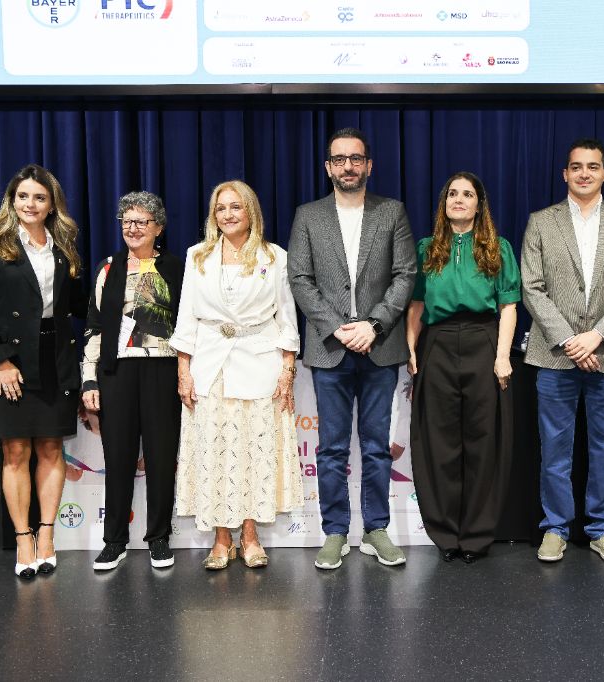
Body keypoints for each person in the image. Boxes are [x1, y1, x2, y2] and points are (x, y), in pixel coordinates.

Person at [288, 127, 417, 570]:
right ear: (328, 167)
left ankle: (376, 529)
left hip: (380, 347)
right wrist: (338, 328)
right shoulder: (308, 215)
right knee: (331, 449)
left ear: (368, 165)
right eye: (340, 159)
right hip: (331, 349)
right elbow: (300, 278)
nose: (348, 166)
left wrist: (374, 325)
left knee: (377, 447)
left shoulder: (391, 212)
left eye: (356, 159)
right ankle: (335, 532)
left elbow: (405, 274)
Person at [521, 138, 604, 565]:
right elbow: (532, 288)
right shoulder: (541, 222)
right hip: (556, 356)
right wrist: (570, 340)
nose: (584, 174)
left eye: (593, 167)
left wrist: (596, 336)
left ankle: (602, 528)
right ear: (565, 174)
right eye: (576, 167)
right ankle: (555, 528)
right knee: (554, 451)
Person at [171, 180, 302, 570]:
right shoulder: (197, 256)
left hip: (259, 364)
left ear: (251, 212)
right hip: (209, 366)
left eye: (235, 207)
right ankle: (220, 539)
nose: (227, 214)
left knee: (252, 454)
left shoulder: (274, 257)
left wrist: (287, 370)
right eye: (221, 208)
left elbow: (287, 317)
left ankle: (249, 536)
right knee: (213, 453)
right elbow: (186, 317)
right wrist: (183, 370)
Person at [0, 163, 87, 578]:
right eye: (23, 196)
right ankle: (23, 538)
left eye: (39, 197)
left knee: (51, 448)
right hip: (10, 362)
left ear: (52, 204)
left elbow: (78, 305)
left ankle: (47, 535)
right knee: (15, 452)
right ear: (12, 200)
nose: (30, 204)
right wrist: (0, 361)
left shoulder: (64, 246)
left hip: (55, 358)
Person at [406, 172, 520, 564]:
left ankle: (476, 535)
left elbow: (508, 305)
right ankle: (445, 533)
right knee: (439, 442)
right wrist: (411, 346)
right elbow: (416, 304)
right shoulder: (426, 248)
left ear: (478, 204)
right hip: (437, 343)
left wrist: (502, 356)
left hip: (483, 340)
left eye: (467, 194)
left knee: (482, 441)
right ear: (444, 203)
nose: (459, 199)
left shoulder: (498, 248)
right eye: (452, 193)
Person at [81, 191, 184, 571]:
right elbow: (94, 328)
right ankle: (114, 541)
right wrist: (89, 380)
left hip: (163, 371)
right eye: (127, 221)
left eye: (141, 221)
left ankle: (159, 539)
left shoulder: (176, 268)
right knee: (119, 459)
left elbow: (190, 324)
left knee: (161, 459)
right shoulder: (108, 269)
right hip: (117, 373)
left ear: (159, 227)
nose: (133, 228)